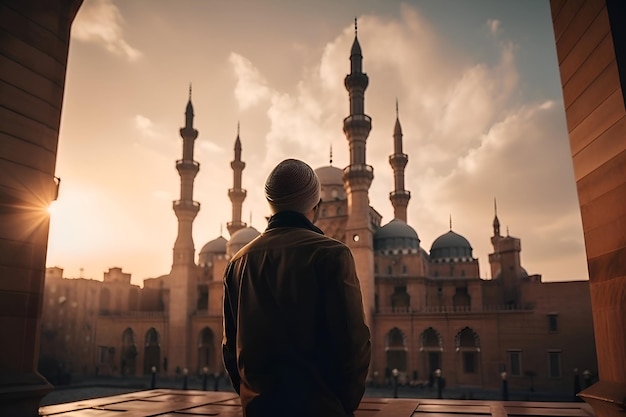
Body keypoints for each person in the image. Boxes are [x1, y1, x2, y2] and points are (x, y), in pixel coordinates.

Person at [222, 158, 371, 417]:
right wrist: (342, 405)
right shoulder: (333, 254)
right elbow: (353, 344)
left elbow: (230, 348)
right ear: (317, 205)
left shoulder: (238, 262)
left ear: (272, 204)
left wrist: (253, 399)